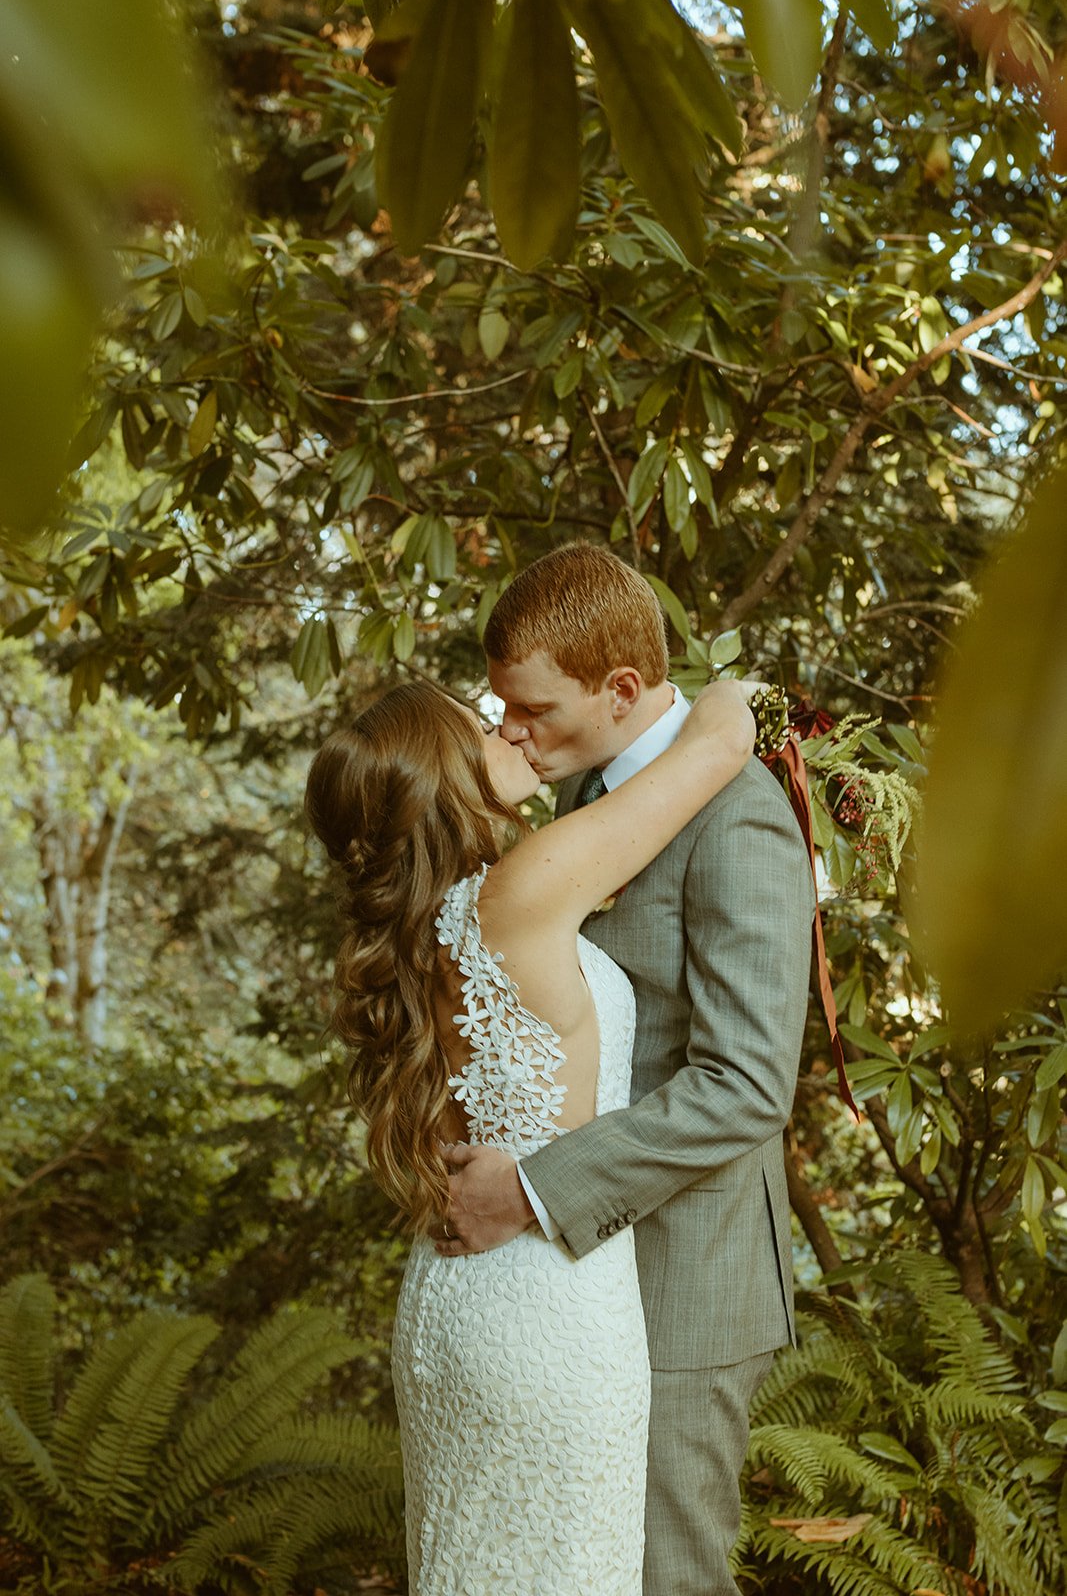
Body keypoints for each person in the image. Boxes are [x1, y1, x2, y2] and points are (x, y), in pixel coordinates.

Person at [304, 672, 757, 1595]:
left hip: (456, 1297)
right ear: (440, 774)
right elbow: (717, 747)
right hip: (550, 1308)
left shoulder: (433, 924)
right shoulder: (521, 890)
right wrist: (736, 688)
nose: (504, 729)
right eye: (476, 726)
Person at [438, 543, 815, 1596]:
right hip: (581, 1283)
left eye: (534, 710)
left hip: (685, 1277)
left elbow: (743, 1084)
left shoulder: (737, 814)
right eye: (500, 706)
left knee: (664, 1575)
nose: (510, 731)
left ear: (617, 689)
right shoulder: (581, 794)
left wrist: (530, 1187)